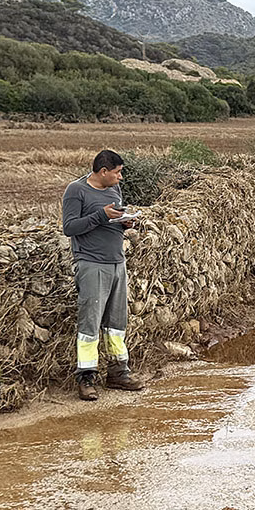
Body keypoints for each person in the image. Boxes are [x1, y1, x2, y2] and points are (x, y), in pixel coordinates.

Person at [61, 150, 147, 401]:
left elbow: (112, 221)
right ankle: (86, 378)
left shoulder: (113, 190)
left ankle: (118, 372)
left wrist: (126, 222)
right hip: (91, 263)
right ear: (103, 171)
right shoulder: (76, 191)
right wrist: (101, 216)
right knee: (90, 323)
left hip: (117, 262)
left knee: (117, 323)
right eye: (118, 172)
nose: (121, 177)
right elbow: (69, 227)